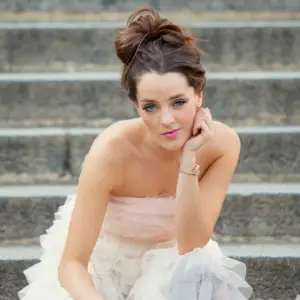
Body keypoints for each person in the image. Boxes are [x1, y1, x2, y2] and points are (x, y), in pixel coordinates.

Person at [19, 8, 253, 300]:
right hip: (101, 264)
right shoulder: (112, 149)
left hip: (172, 264)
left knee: (199, 269)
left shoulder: (222, 145)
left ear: (198, 95)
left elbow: (191, 244)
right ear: (136, 105)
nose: (166, 120)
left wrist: (188, 160)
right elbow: (72, 265)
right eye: (151, 107)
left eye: (178, 102)